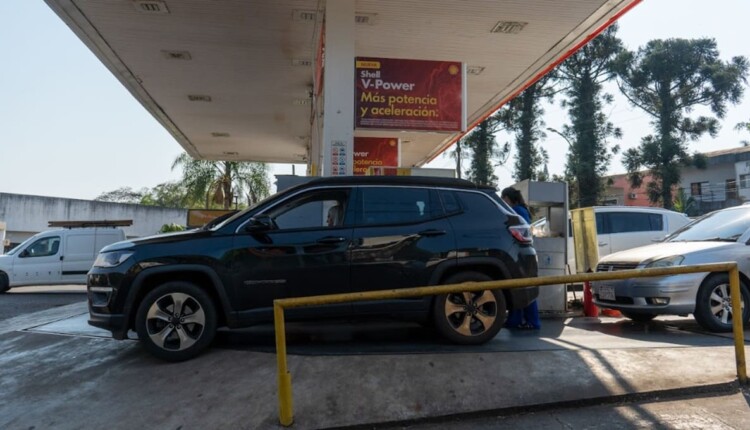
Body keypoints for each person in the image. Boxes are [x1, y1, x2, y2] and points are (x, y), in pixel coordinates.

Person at [500, 187, 541, 330]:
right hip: (521, 252)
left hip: (518, 253)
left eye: (504, 199)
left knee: (522, 289)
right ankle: (519, 320)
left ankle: (528, 321)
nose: (503, 202)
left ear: (510, 198)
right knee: (520, 289)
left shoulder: (516, 211)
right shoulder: (522, 210)